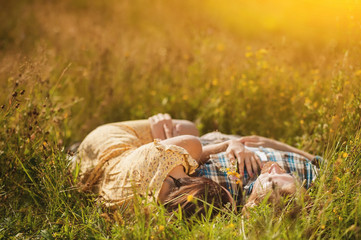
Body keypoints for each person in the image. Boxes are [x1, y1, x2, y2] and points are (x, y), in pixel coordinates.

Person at [72, 114, 245, 218]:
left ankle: (74, 148)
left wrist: (228, 144)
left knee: (189, 129)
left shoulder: (182, 151)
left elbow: (196, 151)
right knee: (185, 131)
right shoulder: (150, 216)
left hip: (103, 143)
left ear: (201, 181)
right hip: (83, 171)